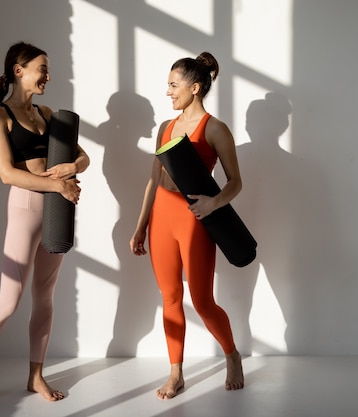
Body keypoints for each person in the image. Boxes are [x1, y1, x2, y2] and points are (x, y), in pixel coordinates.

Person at [0, 41, 90, 417]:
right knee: (7, 303)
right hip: (26, 208)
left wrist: (71, 169)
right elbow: (7, 173)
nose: (48, 75)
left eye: (48, 69)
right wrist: (58, 184)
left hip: (58, 211)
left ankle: (35, 376)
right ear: (19, 70)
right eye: (42, 68)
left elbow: (82, 155)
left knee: (45, 297)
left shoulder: (48, 113)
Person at [130, 51, 245, 399]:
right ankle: (175, 373)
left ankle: (232, 354)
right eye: (168, 85)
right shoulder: (165, 128)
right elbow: (154, 180)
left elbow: (236, 181)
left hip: (194, 221)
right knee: (170, 297)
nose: (168, 92)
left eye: (173, 85)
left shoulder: (215, 129)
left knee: (203, 300)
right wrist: (140, 226)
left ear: (195, 88)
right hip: (161, 219)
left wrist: (214, 202)